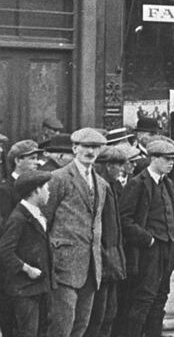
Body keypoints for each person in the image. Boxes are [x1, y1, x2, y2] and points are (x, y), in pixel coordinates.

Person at [44, 128, 110, 337]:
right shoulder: (58, 178)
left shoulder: (101, 183)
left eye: (95, 147)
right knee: (62, 324)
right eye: (86, 146)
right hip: (64, 264)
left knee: (81, 324)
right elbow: (44, 219)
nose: (90, 151)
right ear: (75, 148)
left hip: (91, 265)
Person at [120, 140, 174, 337]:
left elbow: (173, 214)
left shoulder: (168, 184)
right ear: (153, 158)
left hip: (168, 248)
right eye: (166, 159)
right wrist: (147, 239)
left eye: (173, 159)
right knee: (144, 298)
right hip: (150, 251)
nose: (171, 163)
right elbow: (125, 219)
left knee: (160, 298)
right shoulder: (137, 184)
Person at [0, 171, 54, 337]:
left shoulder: (36, 214)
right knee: (27, 333)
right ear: (36, 191)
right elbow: (4, 250)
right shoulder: (19, 218)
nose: (49, 192)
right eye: (46, 188)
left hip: (39, 287)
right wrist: (26, 269)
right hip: (24, 290)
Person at [84, 146, 129, 337]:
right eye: (118, 165)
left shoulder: (111, 186)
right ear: (107, 165)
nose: (122, 169)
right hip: (102, 260)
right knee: (98, 315)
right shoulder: (100, 187)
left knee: (109, 312)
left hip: (111, 259)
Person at [0, 140, 45, 219]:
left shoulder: (34, 186)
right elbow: (7, 222)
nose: (37, 162)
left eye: (37, 158)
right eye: (32, 158)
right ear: (18, 161)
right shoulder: (5, 189)